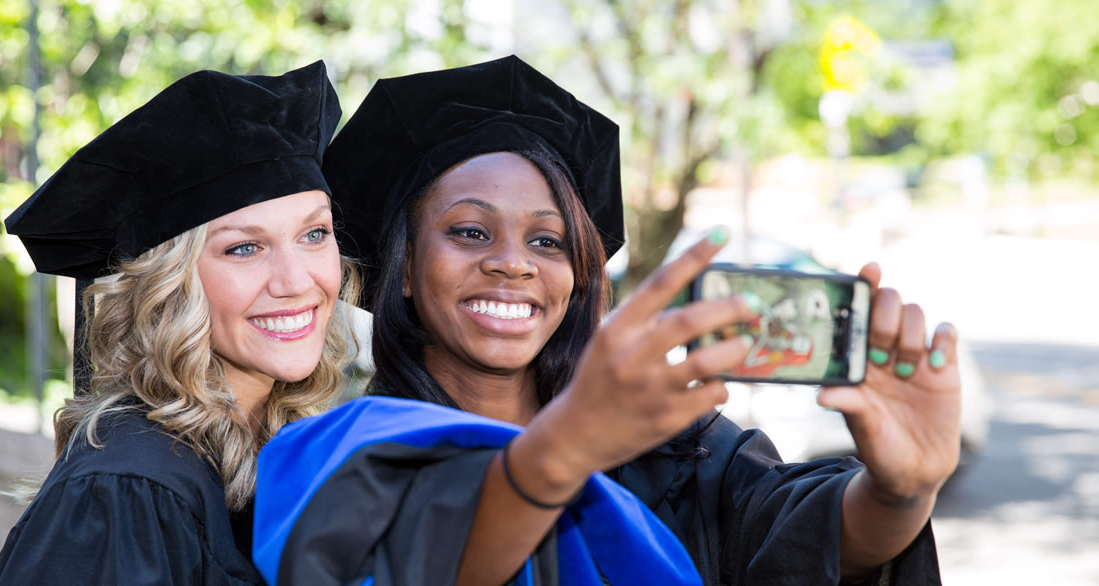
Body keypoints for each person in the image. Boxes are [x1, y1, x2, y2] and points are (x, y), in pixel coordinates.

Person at [255, 56, 959, 586]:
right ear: (404, 268)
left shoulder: (676, 451)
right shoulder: (344, 453)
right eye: (470, 232)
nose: (513, 264)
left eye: (547, 240)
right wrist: (566, 449)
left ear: (580, 276)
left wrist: (901, 492)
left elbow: (804, 543)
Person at [0, 62, 358, 585]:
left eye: (314, 234)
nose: (296, 281)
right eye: (244, 247)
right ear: (170, 282)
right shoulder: (128, 488)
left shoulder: (270, 454)